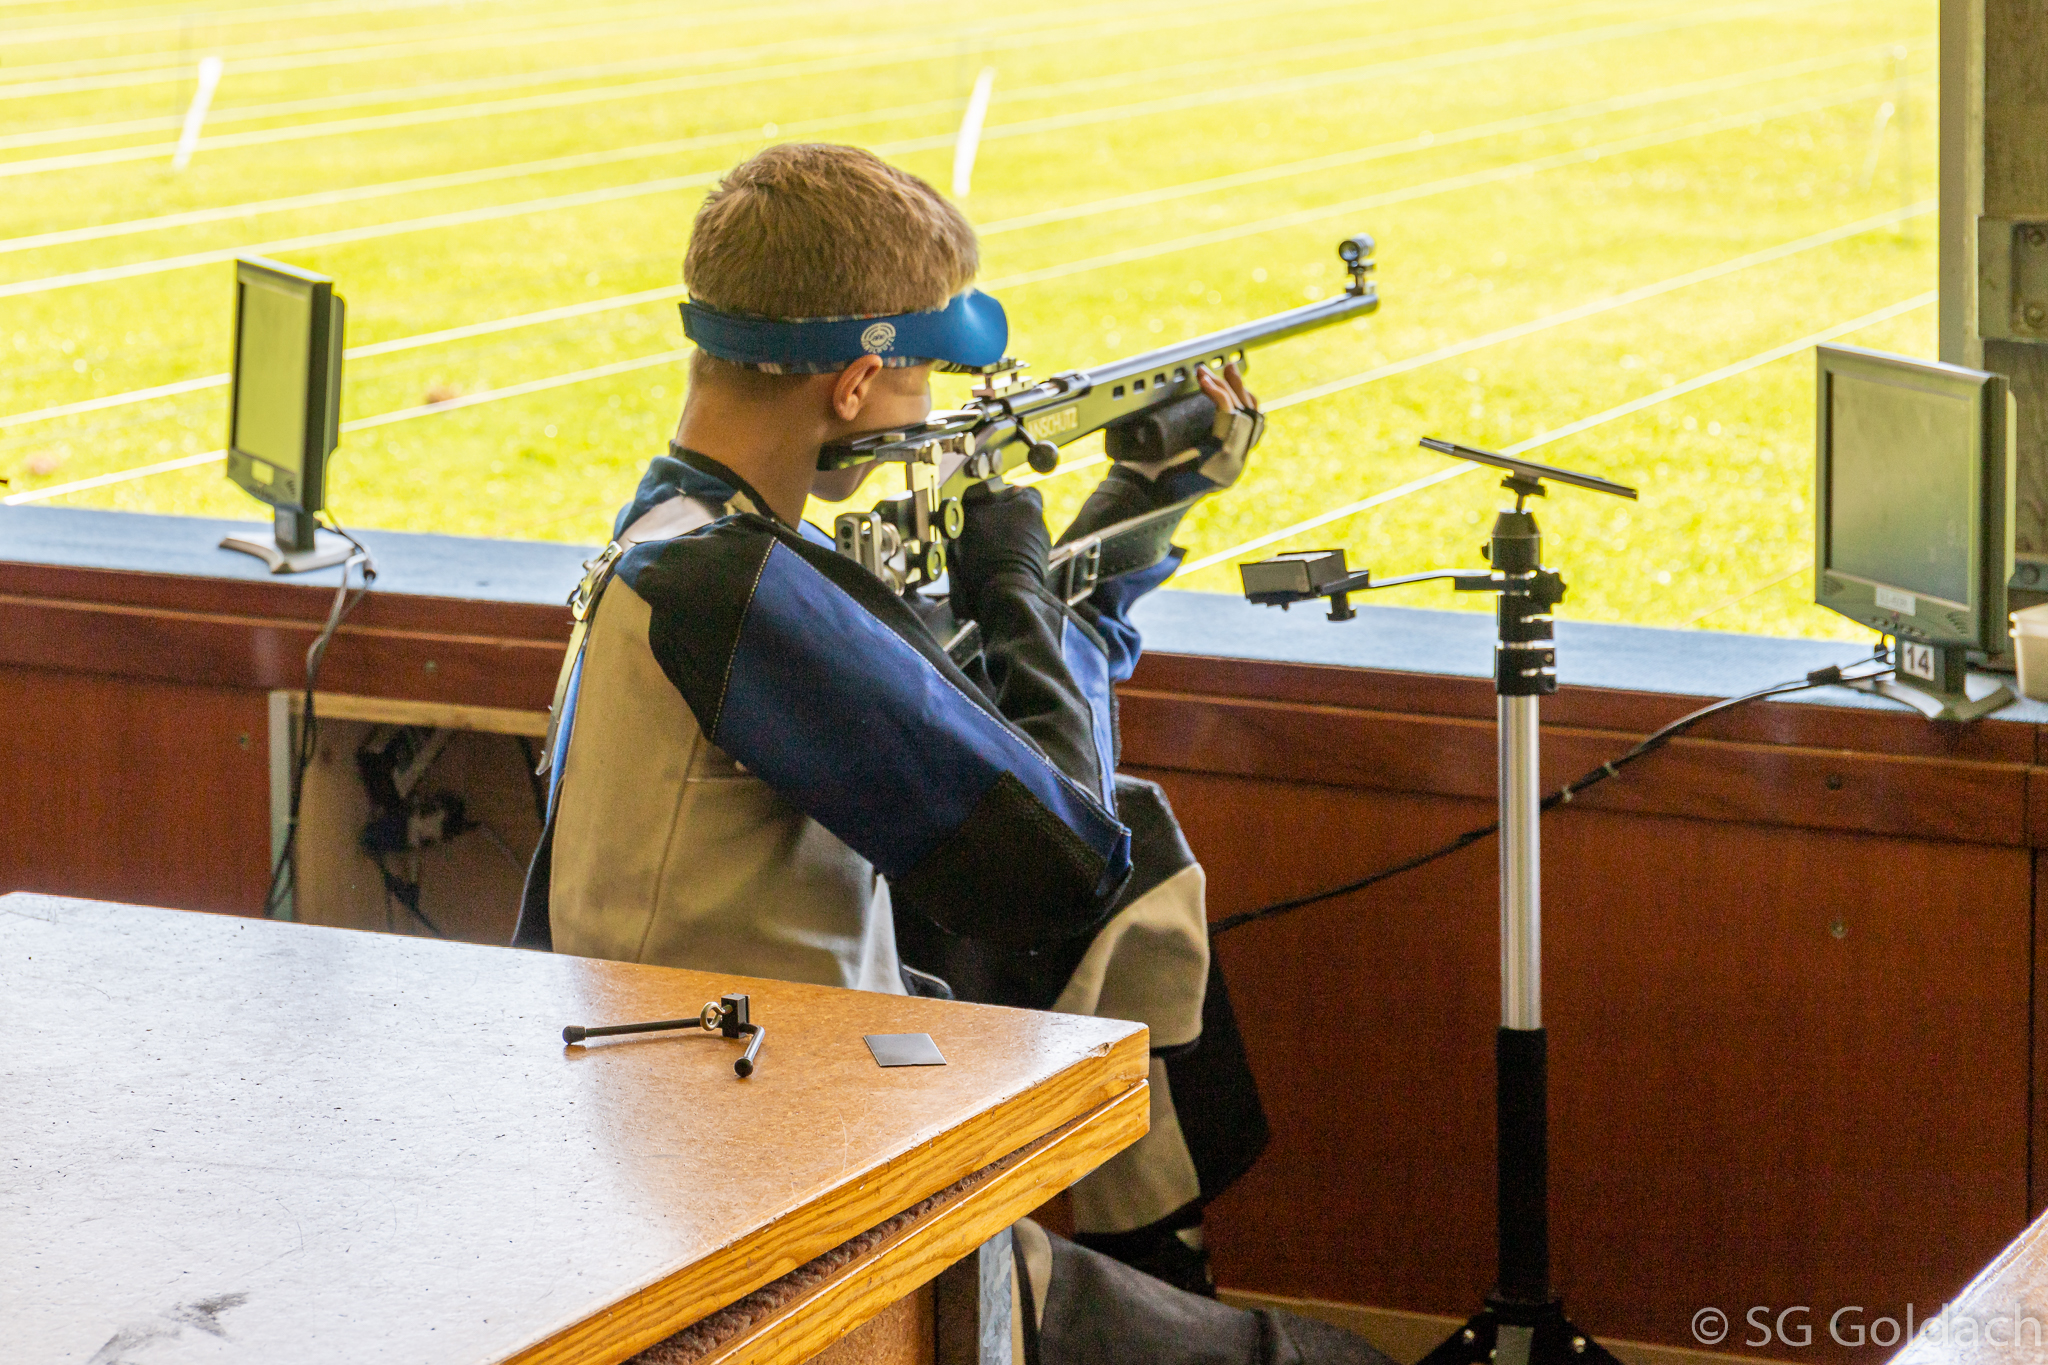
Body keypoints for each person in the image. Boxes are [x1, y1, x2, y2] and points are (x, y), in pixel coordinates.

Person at [515, 142, 1394, 1365]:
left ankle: (1149, 1265)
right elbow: (1060, 867)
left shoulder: (677, 533)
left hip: (719, 1103)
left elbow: (1000, 727)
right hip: (770, 1173)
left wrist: (1129, 516)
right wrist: (1013, 575)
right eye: (925, 376)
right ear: (854, 383)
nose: (933, 410)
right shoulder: (738, 590)